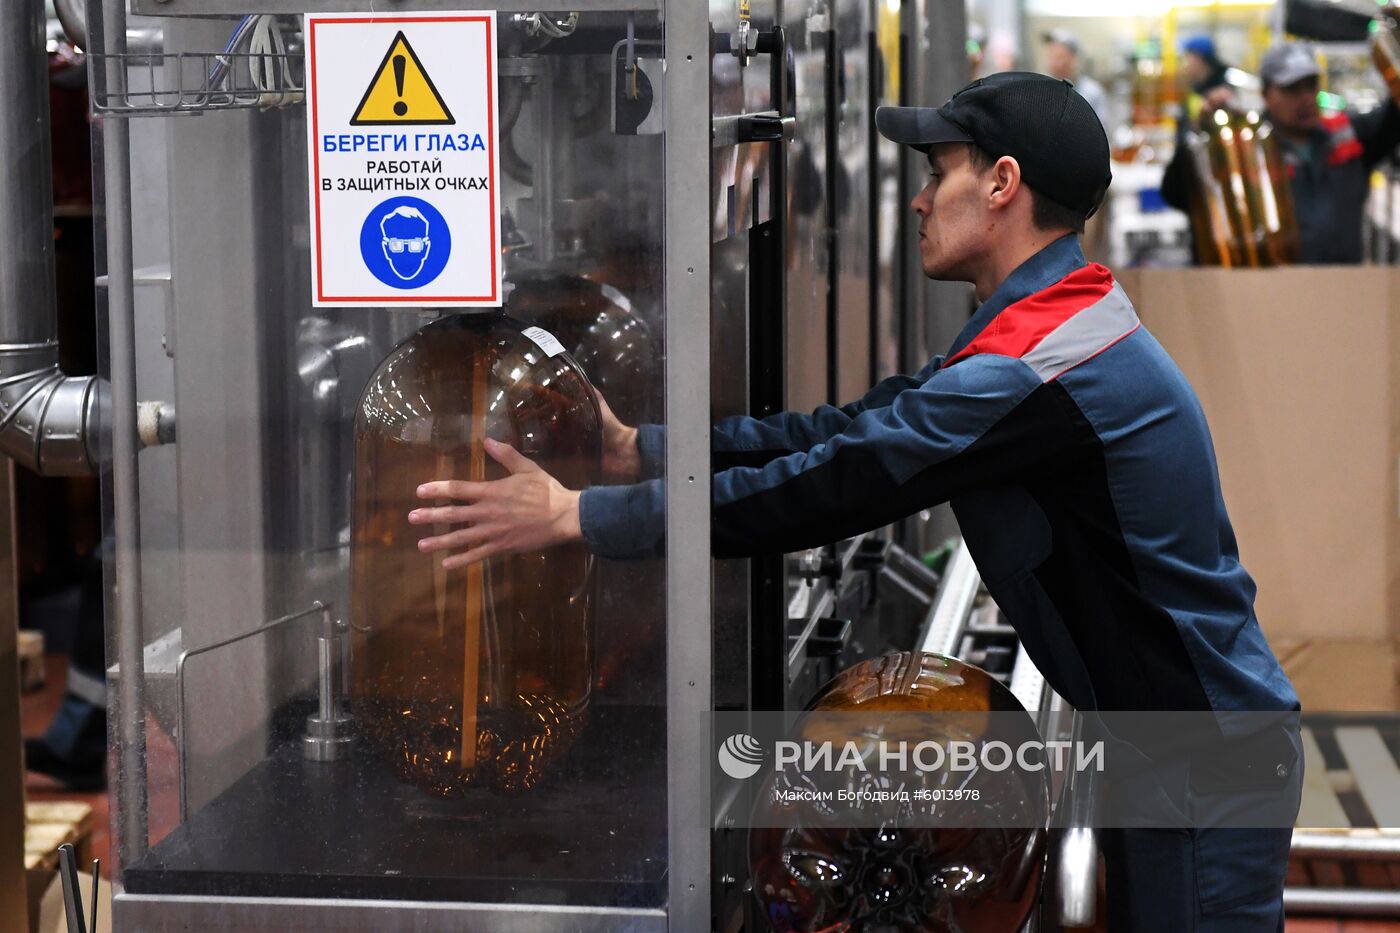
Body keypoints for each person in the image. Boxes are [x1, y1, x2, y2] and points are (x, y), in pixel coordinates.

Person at [410, 72, 1301, 930]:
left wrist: (583, 517)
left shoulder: (1038, 367)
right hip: (1173, 740)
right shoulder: (1044, 325)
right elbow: (848, 429)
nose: (918, 200)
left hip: (1203, 756)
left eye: (936, 172)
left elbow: (836, 485)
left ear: (1001, 184)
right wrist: (639, 450)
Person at [1252, 42, 1400, 264]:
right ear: (1266, 95)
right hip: (1279, 288)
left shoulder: (1348, 135)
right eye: (1292, 89)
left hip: (1345, 284)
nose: (1306, 98)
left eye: (1311, 85)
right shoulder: (1249, 150)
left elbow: (1394, 117)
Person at [1042, 28, 1110, 133]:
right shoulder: (1039, 91)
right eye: (1050, 56)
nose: (1052, 62)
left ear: (1073, 58)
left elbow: (1103, 135)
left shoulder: (1092, 93)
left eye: (1059, 56)